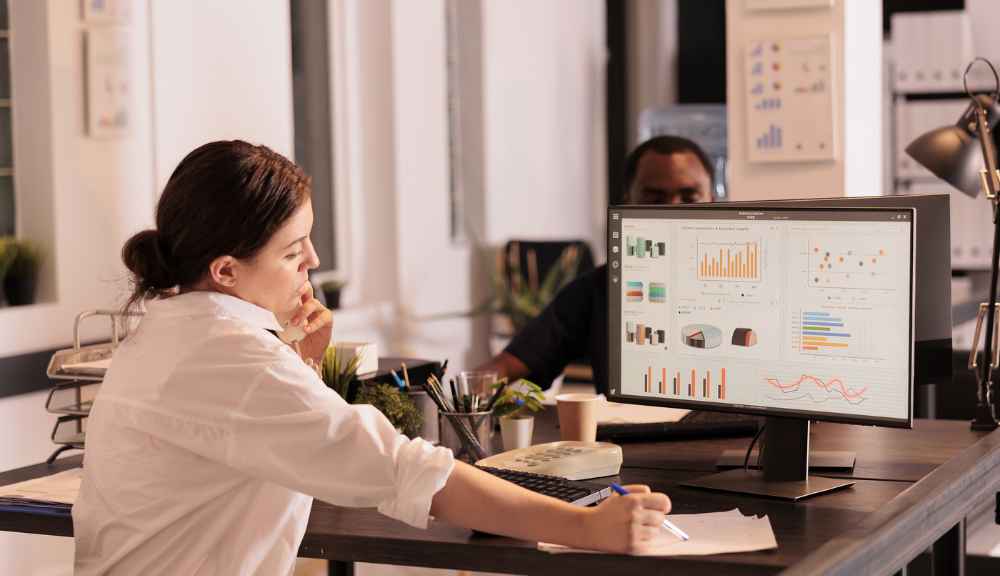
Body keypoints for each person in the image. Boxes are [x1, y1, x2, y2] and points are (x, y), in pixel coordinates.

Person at [72, 140, 671, 574]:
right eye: (291, 252)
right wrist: (585, 528)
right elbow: (404, 472)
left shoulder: (165, 334)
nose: (312, 260)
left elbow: (270, 439)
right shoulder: (231, 356)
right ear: (225, 270)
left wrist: (301, 363)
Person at [477, 135, 714, 394]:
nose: (672, 211)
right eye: (655, 199)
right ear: (628, 203)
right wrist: (466, 394)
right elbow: (507, 365)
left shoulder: (753, 287)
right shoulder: (597, 289)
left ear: (713, 201)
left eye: (689, 198)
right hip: (628, 432)